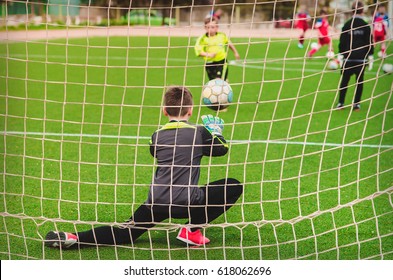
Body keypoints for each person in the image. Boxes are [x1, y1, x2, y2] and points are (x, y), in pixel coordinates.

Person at [45, 86, 243, 248]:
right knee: (233, 186)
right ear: (190, 111)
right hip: (186, 202)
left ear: (164, 111)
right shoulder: (199, 133)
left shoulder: (156, 136)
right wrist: (216, 132)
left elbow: (156, 152)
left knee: (125, 233)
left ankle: (73, 238)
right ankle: (191, 230)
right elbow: (221, 149)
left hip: (156, 201)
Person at [336, 1, 374, 111]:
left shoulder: (347, 24)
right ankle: (356, 104)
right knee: (359, 82)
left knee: (344, 81)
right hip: (360, 58)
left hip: (348, 58)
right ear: (362, 10)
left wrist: (341, 54)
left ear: (352, 10)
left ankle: (340, 103)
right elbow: (369, 42)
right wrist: (370, 55)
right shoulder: (365, 25)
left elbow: (342, 41)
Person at [195, 17, 240, 81]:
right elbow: (198, 51)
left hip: (221, 62)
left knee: (218, 80)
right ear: (205, 28)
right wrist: (208, 54)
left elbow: (228, 43)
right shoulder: (202, 39)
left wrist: (235, 52)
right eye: (208, 27)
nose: (210, 29)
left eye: (212, 27)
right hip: (209, 63)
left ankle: (224, 82)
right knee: (213, 82)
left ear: (217, 27)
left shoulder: (222, 36)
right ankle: (225, 81)